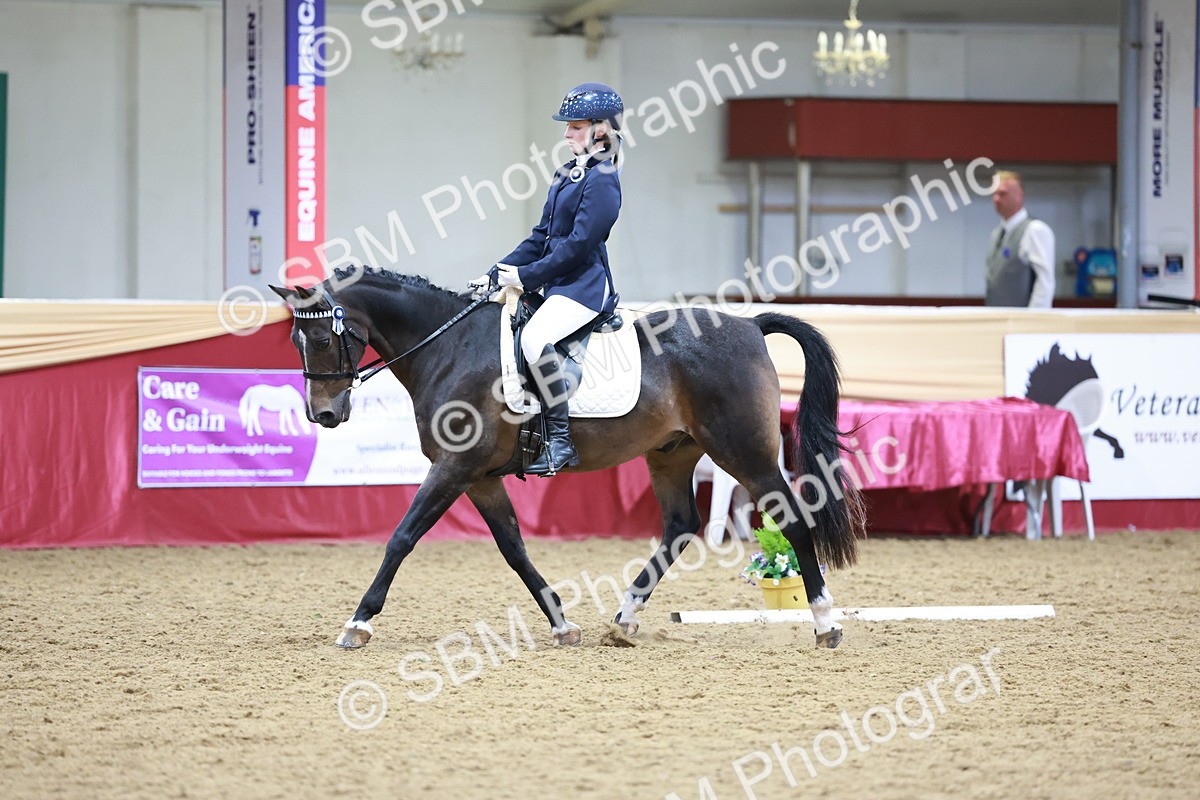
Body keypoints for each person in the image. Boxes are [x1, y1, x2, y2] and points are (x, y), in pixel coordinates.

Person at [470, 82, 623, 475]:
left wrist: (524, 276)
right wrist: (498, 271)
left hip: (585, 287)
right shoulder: (566, 174)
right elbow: (542, 237)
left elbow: (579, 245)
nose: (567, 134)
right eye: (568, 127)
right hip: (558, 284)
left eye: (575, 127)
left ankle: (560, 441)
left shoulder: (603, 177)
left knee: (537, 339)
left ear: (600, 129)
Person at [986, 170, 1056, 308]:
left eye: (1002, 194)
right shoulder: (996, 234)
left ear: (1019, 195)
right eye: (994, 194)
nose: (996, 199)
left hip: (1023, 323)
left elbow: (1044, 283)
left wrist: (1034, 322)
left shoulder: (1035, 230)